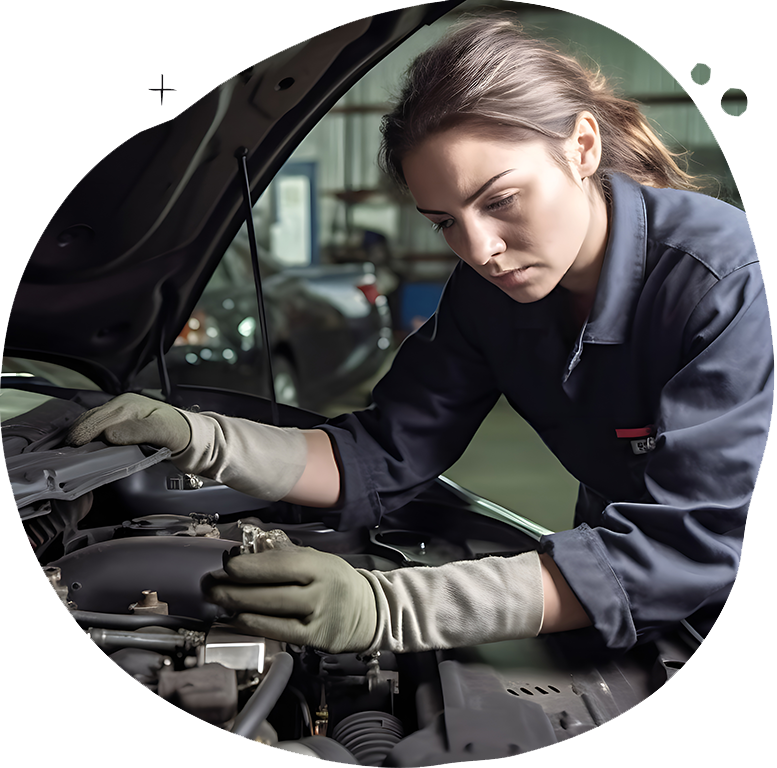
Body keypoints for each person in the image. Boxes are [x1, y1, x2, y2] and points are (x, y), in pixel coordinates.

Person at [67, 17, 772, 657]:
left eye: (499, 201)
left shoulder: (730, 282)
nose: (477, 248)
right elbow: (379, 454)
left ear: (580, 147)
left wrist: (387, 609)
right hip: (621, 596)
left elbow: (684, 544)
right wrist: (203, 440)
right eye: (444, 221)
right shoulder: (488, 296)